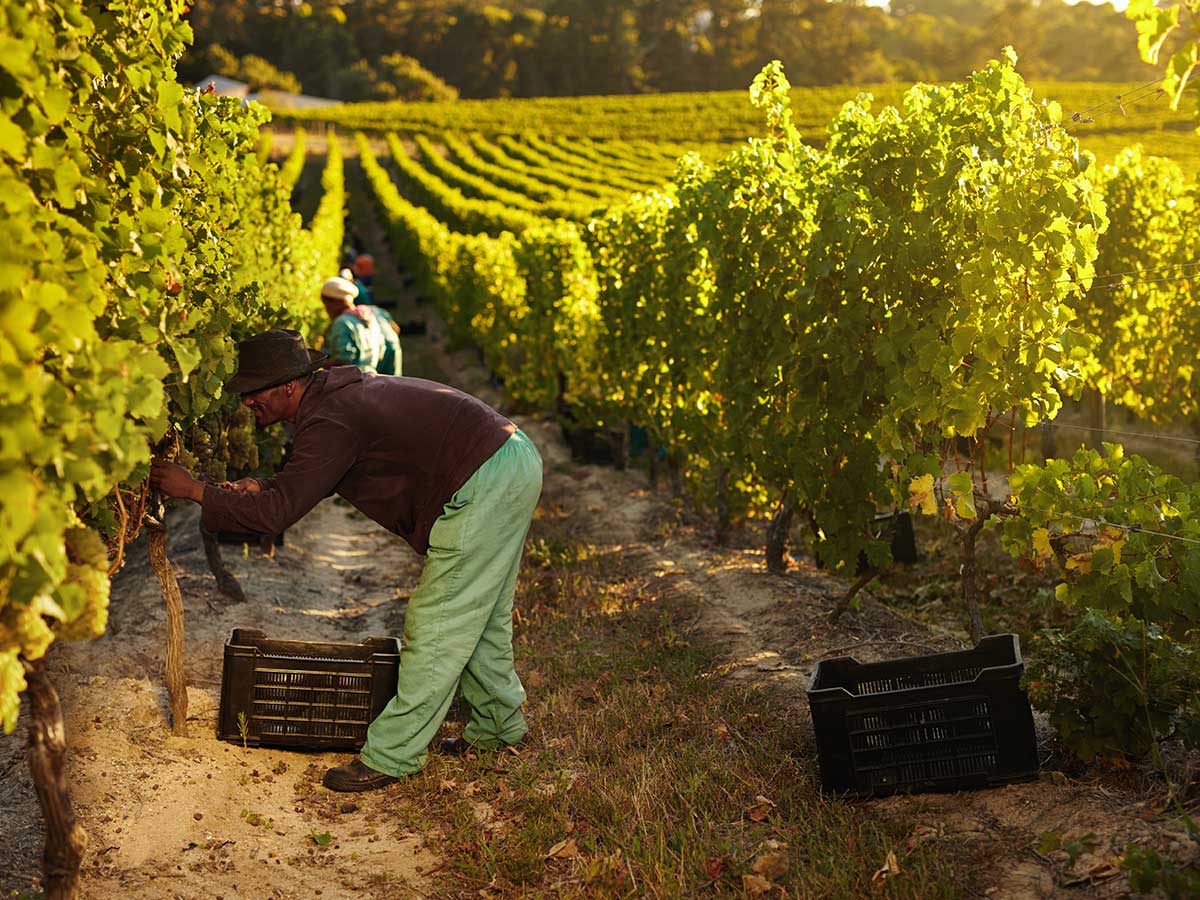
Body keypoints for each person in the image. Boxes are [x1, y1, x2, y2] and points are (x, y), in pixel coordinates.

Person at [150, 330, 543, 791]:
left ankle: (393, 755)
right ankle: (499, 727)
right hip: (507, 459)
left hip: (486, 476)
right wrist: (265, 485)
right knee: (483, 617)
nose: (246, 403)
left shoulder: (332, 416)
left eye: (253, 393)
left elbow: (278, 514)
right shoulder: (332, 401)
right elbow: (303, 482)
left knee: (439, 622)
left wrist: (194, 489)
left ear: (287, 387)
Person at [321, 276, 401, 376]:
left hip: (354, 380)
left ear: (332, 303)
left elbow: (344, 358)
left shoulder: (341, 323)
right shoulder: (365, 315)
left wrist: (323, 364)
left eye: (326, 306)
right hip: (372, 375)